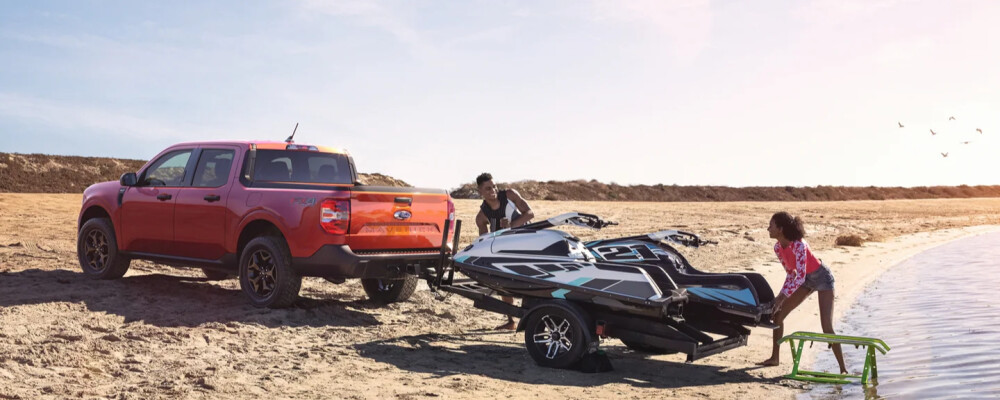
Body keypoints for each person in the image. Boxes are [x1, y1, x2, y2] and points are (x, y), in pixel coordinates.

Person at [758, 212, 848, 374]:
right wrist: (780, 299)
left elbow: (798, 278)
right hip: (804, 280)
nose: (768, 229)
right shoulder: (778, 247)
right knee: (778, 315)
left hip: (822, 278)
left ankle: (843, 369)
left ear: (780, 228)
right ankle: (775, 358)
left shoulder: (799, 245)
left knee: (826, 327)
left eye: (771, 225)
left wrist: (781, 297)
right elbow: (791, 274)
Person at [474, 172, 534, 330]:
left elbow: (530, 213)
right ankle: (511, 321)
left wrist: (511, 225)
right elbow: (485, 242)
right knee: (503, 282)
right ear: (480, 192)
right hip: (507, 248)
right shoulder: (482, 216)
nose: (493, 190)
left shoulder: (509, 195)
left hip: (528, 242)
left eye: (494, 186)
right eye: (487, 189)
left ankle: (532, 317)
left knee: (530, 282)